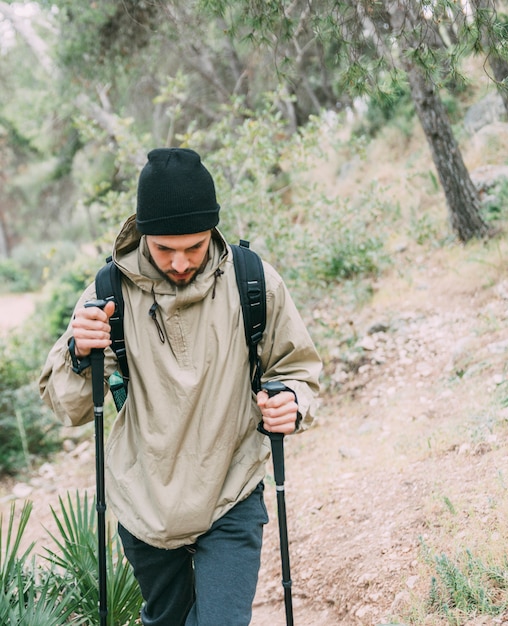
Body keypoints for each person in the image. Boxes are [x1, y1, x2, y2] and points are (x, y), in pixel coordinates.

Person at [39, 147, 322, 626]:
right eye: (164, 248)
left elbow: (297, 367)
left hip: (231, 487)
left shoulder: (252, 281)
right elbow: (69, 407)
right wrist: (77, 350)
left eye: (192, 247)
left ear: (212, 230)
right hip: (145, 501)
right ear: (143, 233)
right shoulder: (107, 294)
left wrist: (292, 403)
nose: (179, 261)